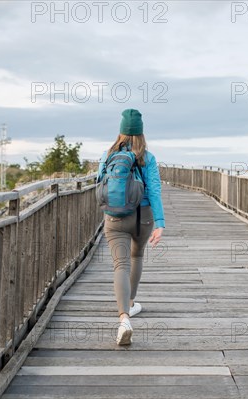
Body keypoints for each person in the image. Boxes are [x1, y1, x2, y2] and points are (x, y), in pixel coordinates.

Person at [97, 108, 165, 346]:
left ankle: (124, 318)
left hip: (114, 217)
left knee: (120, 264)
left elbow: (99, 182)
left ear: (122, 131)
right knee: (136, 256)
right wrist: (160, 223)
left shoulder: (108, 154)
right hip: (143, 217)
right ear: (141, 132)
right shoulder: (148, 157)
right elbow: (155, 190)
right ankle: (131, 302)